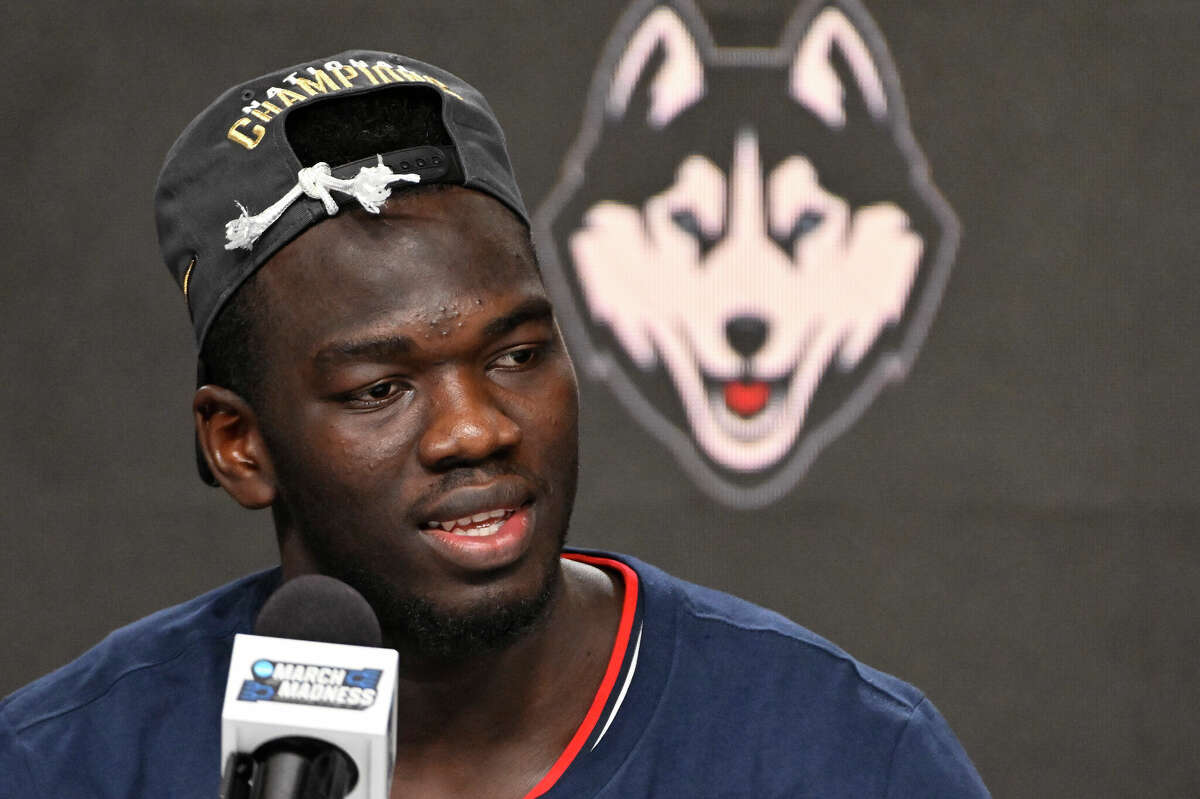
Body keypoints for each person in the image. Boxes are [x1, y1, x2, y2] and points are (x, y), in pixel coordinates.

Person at [0, 51, 989, 798]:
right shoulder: (72, 762)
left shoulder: (838, 755)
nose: (475, 430)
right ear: (239, 445)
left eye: (515, 356)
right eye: (381, 388)